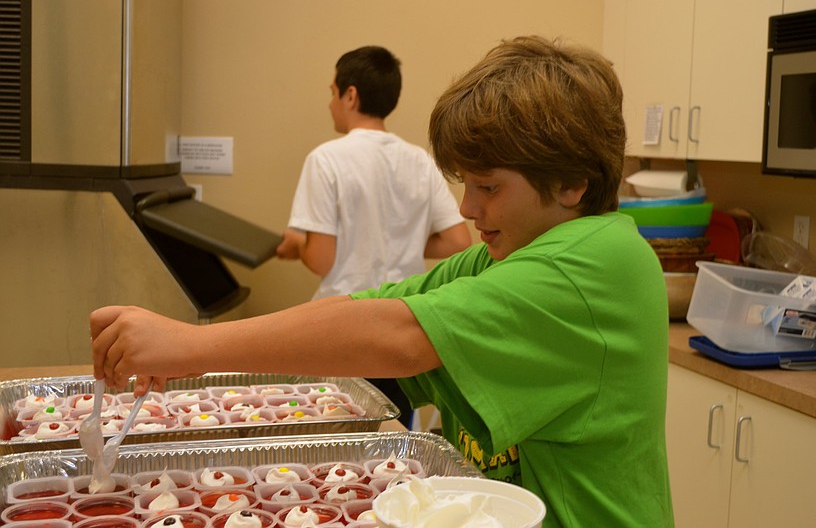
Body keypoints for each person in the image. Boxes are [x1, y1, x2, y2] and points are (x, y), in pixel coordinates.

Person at [91, 35, 674, 527]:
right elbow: (374, 306)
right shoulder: (505, 256)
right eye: (464, 184)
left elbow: (401, 336)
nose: (467, 208)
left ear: (571, 183)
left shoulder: (597, 261)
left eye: (489, 187)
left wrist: (194, 346)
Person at [276, 46, 471, 426]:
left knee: (337, 446)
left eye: (332, 92)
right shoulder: (419, 160)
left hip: (344, 326)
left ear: (350, 95)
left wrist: (295, 244)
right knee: (394, 442)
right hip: (404, 324)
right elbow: (457, 241)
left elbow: (321, 259)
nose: (330, 102)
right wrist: (406, 239)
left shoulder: (327, 159)